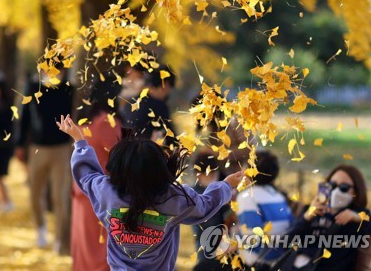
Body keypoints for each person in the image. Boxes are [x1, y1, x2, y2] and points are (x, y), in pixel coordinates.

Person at [57, 115, 244, 270]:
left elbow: (86, 175)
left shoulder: (107, 191)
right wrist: (226, 185)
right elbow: (205, 206)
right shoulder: (173, 197)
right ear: (159, 169)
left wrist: (80, 142)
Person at [14, 66, 73, 253]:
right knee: (34, 193)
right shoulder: (32, 86)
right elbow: (24, 115)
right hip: (37, 148)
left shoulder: (69, 89)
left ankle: (59, 240)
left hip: (62, 148)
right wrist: (19, 144)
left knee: (59, 196)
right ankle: (40, 228)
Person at [286, 164, 371, 271]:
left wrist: (358, 218)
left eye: (343, 188)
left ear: (356, 191)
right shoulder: (312, 210)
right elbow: (286, 242)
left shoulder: (357, 215)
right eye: (332, 185)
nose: (336, 191)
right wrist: (306, 218)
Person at [72, 78, 122, 271]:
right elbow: (118, 153)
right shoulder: (105, 121)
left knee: (84, 242)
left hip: (82, 187)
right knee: (98, 243)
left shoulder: (87, 119)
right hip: (100, 191)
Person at [235, 150, 294, 268]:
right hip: (281, 258)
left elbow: (252, 239)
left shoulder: (247, 197)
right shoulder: (278, 196)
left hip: (259, 262)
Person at [190, 151, 234, 271]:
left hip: (229, 245)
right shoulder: (195, 193)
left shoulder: (227, 186)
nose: (211, 178)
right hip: (206, 245)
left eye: (212, 174)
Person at [120, 65, 176, 145]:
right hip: (142, 152)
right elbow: (170, 137)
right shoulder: (159, 106)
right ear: (165, 85)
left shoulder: (132, 102)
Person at [0, 79, 15, 212]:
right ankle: (3, 199)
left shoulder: (3, 107)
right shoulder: (2, 105)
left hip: (0, 145)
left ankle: (6, 200)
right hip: (1, 144)